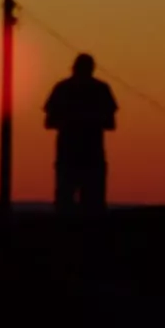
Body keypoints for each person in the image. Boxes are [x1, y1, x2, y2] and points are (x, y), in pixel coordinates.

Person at [44, 54, 117, 215]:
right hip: (86, 157)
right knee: (90, 206)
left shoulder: (62, 88)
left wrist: (73, 120)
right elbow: (110, 124)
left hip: (75, 157)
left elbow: (49, 122)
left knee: (69, 205)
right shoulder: (100, 89)